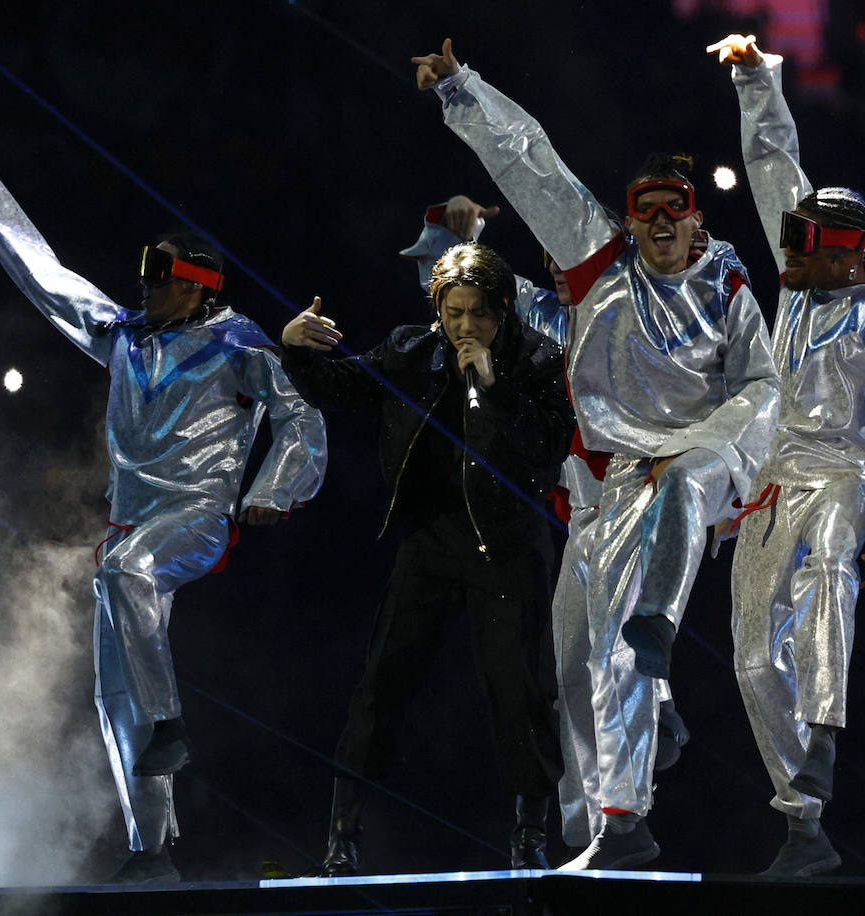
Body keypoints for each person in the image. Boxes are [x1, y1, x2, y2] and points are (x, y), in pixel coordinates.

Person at [413, 40, 780, 870]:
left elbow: (761, 387)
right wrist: (462, 90)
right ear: (627, 216)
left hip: (684, 475)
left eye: (672, 211)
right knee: (575, 659)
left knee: (624, 635)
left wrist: (711, 454)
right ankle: (597, 828)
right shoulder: (593, 268)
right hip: (599, 495)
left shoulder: (728, 290)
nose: (657, 223)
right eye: (643, 209)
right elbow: (530, 161)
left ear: (695, 219)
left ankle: (627, 810)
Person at [0, 147, 327, 883]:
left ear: (194, 288)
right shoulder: (125, 335)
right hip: (132, 525)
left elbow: (299, 412)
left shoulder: (236, 341)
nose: (146, 288)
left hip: (196, 517)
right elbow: (51, 283)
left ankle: (167, 729)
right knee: (112, 686)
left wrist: (274, 490)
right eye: (147, 277)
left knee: (127, 574)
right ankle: (149, 846)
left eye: (160, 280)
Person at [709, 35, 865, 877]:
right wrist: (752, 76)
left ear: (845, 248)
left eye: (807, 242)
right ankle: (803, 825)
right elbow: (777, 163)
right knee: (748, 655)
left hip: (846, 478)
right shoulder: (795, 293)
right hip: (774, 484)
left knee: (824, 591)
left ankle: (820, 755)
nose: (793, 251)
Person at [403, 200, 692, 855]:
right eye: (550, 263)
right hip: (585, 515)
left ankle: (642, 763)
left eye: (575, 261)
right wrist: (458, 236)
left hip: (642, 503)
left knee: (618, 657)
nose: (561, 273)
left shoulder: (642, 313)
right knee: (565, 672)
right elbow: (455, 294)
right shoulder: (539, 317)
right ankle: (589, 822)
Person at [281, 242, 573, 874]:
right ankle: (342, 838)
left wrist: (492, 389)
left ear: (504, 310)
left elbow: (542, 461)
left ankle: (530, 838)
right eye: (454, 312)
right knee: (380, 686)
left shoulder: (540, 360)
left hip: (506, 545)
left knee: (519, 692)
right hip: (432, 542)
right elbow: (339, 385)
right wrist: (296, 346)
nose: (465, 327)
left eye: (479, 314)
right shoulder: (412, 349)